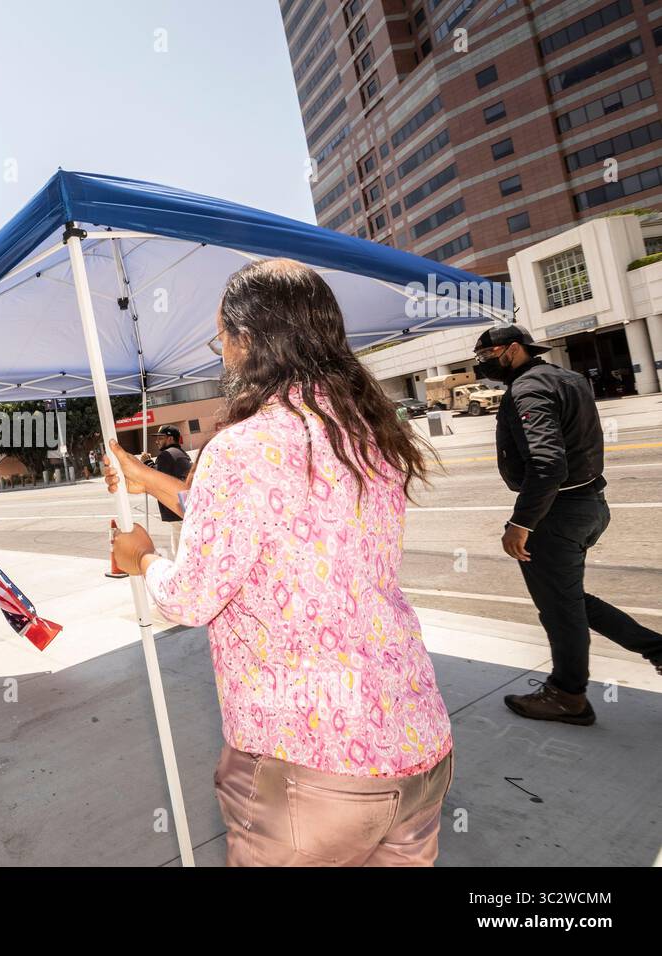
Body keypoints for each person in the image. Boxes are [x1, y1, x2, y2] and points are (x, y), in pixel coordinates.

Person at [108, 258, 453, 867]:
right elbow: (279, 525)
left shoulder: (240, 447)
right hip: (417, 744)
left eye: (222, 338)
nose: (222, 353)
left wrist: (143, 559)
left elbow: (190, 597)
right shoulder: (369, 433)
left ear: (247, 339)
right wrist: (149, 482)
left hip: (310, 767)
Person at [474, 325, 662, 723]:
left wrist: (521, 522)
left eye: (488, 356)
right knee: (569, 599)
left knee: (560, 611)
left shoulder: (527, 389)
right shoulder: (568, 378)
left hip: (556, 513)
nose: (483, 364)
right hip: (591, 504)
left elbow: (547, 464)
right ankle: (658, 650)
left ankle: (567, 694)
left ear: (512, 350)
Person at [144, 425, 192, 553]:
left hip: (176, 510)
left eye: (160, 438)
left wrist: (147, 462)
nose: (157, 441)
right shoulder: (181, 453)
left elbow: (157, 479)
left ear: (170, 439)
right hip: (185, 508)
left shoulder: (167, 455)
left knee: (180, 555)